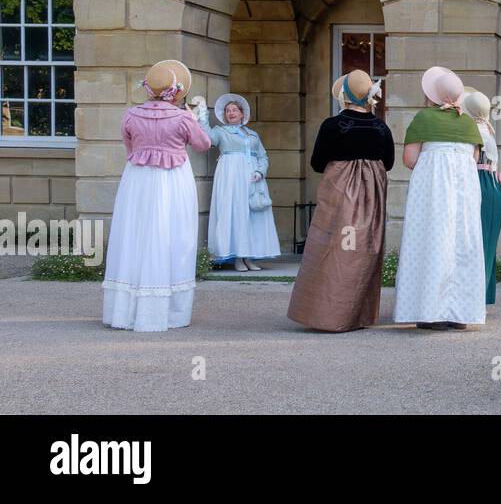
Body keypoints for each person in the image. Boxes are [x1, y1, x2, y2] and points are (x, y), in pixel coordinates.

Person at [102, 60, 212, 332]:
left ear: (148, 88)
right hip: (172, 179)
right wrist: (194, 120)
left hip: (137, 179)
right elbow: (203, 145)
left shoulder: (131, 114)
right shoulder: (183, 117)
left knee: (134, 235)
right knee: (171, 235)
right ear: (176, 91)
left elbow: (129, 147)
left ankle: (126, 311)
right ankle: (168, 312)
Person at [287, 69, 393, 332]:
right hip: (371, 199)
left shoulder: (332, 125)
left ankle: (329, 314)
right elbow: (388, 163)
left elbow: (316, 163)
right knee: (363, 250)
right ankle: (357, 315)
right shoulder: (381, 126)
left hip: (339, 192)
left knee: (333, 248)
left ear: (343, 95)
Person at [395, 67, 485, 330]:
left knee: (431, 242)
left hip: (432, 192)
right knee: (463, 244)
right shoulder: (468, 123)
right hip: (464, 193)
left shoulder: (423, 118)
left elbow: (409, 159)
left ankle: (430, 311)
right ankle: (460, 312)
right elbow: (474, 159)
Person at [192, 92, 278, 271]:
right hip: (231, 177)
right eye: (228, 111)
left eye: (234, 110)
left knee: (251, 216)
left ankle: (248, 257)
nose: (231, 113)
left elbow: (263, 156)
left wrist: (260, 172)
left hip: (252, 178)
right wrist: (202, 114)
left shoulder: (253, 134)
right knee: (235, 213)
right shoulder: (220, 132)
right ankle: (237, 257)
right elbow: (208, 138)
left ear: (242, 114)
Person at [462, 87, 501, 305]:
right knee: (487, 243)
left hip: (479, 183)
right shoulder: (488, 128)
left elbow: (470, 160)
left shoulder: (474, 132)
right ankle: (484, 294)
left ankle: (473, 297)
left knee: (476, 243)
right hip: (493, 185)